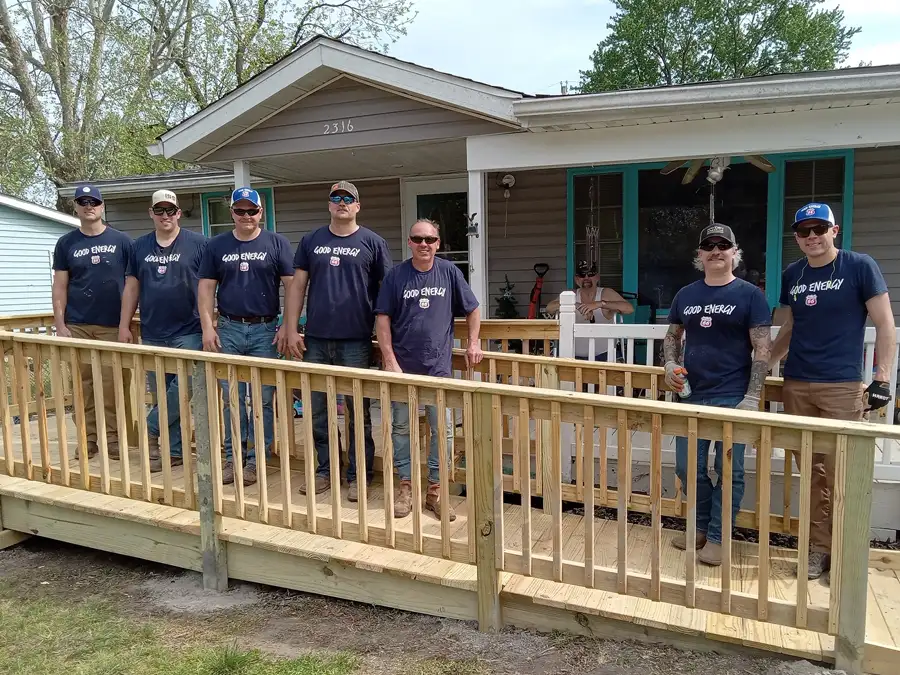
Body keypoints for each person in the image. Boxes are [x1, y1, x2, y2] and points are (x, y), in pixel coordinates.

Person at [770, 202, 895, 581]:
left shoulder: (860, 267)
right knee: (811, 472)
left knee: (841, 473)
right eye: (804, 231)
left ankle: (845, 551)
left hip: (841, 385)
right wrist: (762, 365)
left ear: (834, 231)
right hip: (797, 384)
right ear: (796, 237)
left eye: (819, 229)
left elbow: (886, 325)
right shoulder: (793, 273)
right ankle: (819, 549)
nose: (812, 237)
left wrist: (883, 378)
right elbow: (788, 327)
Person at [664, 223, 772, 566]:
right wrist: (670, 366)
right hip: (691, 395)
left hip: (732, 397)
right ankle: (698, 527)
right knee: (687, 467)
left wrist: (753, 396)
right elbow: (672, 337)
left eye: (723, 246)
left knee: (730, 471)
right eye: (709, 246)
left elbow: (763, 350)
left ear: (734, 253)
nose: (716, 251)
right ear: (700, 255)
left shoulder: (750, 295)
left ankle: (717, 536)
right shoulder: (686, 294)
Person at [278, 181, 392, 502]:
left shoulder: (373, 242)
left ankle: (359, 475)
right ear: (329, 205)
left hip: (356, 339)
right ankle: (326, 470)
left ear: (357, 206)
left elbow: (386, 293)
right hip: (315, 339)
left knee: (358, 411)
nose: (342, 203)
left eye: (348, 199)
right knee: (317, 410)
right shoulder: (311, 240)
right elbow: (297, 286)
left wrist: (386, 342)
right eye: (336, 198)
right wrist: (290, 327)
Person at [375, 218, 483, 520]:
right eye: (418, 239)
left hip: (438, 369)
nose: (424, 244)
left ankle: (435, 493)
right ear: (409, 242)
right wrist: (389, 361)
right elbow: (382, 320)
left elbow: (473, 309)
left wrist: (473, 343)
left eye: (430, 240)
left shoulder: (449, 272)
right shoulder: (396, 277)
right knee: (400, 429)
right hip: (403, 369)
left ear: (438, 244)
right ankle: (406, 488)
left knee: (443, 432)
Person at [198, 187, 294, 486]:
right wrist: (207, 326)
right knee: (233, 399)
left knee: (263, 401)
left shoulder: (276, 243)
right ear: (232, 213)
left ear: (260, 212)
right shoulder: (217, 245)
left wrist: (288, 326)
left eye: (251, 210)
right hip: (229, 328)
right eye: (240, 211)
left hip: (266, 330)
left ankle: (257, 460)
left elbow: (292, 286)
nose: (246, 216)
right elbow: (204, 288)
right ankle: (232, 458)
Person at [119, 189, 207, 472]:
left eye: (171, 210)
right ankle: (174, 452)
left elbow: (208, 287)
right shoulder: (139, 246)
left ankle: (151, 426)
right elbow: (132, 287)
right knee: (163, 393)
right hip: (153, 331)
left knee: (184, 388)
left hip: (189, 330)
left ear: (179, 213)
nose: (166, 216)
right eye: (160, 211)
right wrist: (124, 325)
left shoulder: (199, 244)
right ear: (151, 214)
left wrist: (208, 326)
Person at [52, 184, 134, 459]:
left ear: (102, 206)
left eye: (94, 202)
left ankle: (112, 439)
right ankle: (87, 439)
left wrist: (128, 322)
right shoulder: (66, 244)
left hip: (113, 325)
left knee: (113, 385)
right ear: (75, 207)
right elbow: (60, 286)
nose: (89, 207)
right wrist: (60, 325)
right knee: (82, 385)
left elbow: (133, 283)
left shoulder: (122, 241)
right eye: (83, 202)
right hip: (78, 325)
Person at [546, 260, 634, 361]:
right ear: (577, 279)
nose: (586, 278)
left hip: (605, 356)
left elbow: (629, 308)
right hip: (573, 356)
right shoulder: (571, 294)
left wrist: (599, 304)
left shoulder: (606, 293)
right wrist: (575, 305)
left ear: (597, 277)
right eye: (582, 275)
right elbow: (549, 308)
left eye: (591, 274)